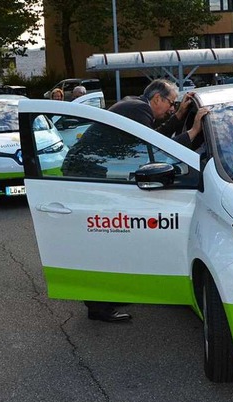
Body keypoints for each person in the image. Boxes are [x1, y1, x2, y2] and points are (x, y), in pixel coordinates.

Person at [83, 79, 209, 322]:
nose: (172, 109)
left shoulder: (136, 106)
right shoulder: (138, 110)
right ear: (157, 99)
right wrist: (193, 131)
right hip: (91, 174)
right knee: (107, 239)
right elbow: (154, 150)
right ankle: (99, 305)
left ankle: (103, 299)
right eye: (172, 104)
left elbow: (155, 140)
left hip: (96, 171)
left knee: (109, 239)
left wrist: (180, 114)